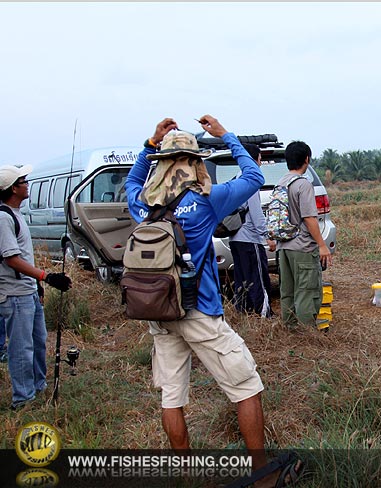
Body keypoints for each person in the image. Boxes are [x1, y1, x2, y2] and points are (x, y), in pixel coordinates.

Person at [124, 117, 301, 486]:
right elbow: (253, 178)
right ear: (194, 161)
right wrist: (228, 137)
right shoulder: (204, 200)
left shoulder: (143, 202)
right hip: (199, 312)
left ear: (162, 163)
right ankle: (263, 475)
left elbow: (129, 180)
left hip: (159, 311)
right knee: (246, 386)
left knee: (172, 396)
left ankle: (186, 475)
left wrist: (149, 144)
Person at [0, 165, 72, 410]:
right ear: (12, 188)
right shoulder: (3, 218)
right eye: (23, 181)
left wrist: (36, 284)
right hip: (14, 294)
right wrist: (46, 277)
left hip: (27, 291)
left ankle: (38, 388)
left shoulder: (15, 213)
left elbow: (21, 258)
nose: (27, 184)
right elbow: (11, 259)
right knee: (21, 348)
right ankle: (23, 399)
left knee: (39, 341)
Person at [276, 141, 333, 328]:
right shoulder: (303, 185)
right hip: (302, 247)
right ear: (306, 159)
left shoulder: (281, 182)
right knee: (307, 290)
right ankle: (307, 332)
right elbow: (309, 218)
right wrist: (322, 245)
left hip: (283, 246)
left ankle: (290, 327)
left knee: (288, 290)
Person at [229, 143, 275, 318]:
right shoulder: (251, 180)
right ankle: (264, 314)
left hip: (235, 238)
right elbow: (256, 214)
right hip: (250, 239)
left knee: (241, 278)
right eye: (260, 159)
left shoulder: (236, 179)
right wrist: (267, 237)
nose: (261, 163)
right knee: (259, 278)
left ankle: (243, 312)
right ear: (253, 159)